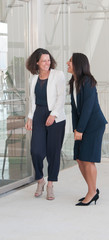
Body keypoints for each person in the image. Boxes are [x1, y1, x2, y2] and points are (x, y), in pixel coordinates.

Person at [67, 53, 108, 206]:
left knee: (88, 160)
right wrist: (75, 129)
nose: (67, 63)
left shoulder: (88, 81)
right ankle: (93, 190)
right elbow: (74, 109)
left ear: (78, 64)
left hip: (93, 126)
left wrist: (80, 130)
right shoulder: (74, 82)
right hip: (82, 127)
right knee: (79, 158)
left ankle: (92, 193)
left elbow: (88, 108)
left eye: (70, 61)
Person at [25, 48, 66, 200]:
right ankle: (40, 180)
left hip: (55, 117)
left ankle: (50, 185)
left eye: (48, 60)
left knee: (53, 152)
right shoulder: (33, 78)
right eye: (43, 60)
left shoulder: (58, 75)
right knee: (36, 150)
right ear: (36, 62)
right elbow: (32, 100)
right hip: (38, 115)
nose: (47, 63)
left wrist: (53, 114)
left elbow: (61, 97)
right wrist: (30, 118)